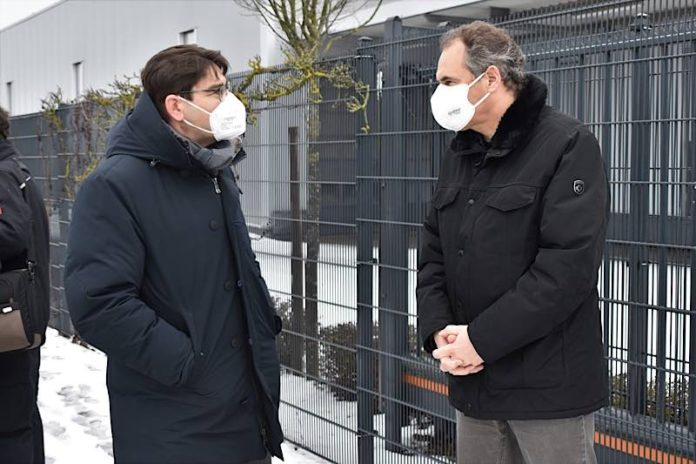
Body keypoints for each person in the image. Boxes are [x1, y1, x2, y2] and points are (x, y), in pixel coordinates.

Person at [64, 45, 283, 464]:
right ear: (176, 106)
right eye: (215, 91)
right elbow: (99, 303)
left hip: (240, 411)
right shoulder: (115, 185)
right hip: (173, 423)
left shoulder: (214, 171)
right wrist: (185, 362)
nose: (229, 101)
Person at [417, 21, 609, 464]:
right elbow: (433, 251)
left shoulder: (567, 144)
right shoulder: (461, 151)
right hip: (474, 386)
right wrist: (438, 331)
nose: (439, 93)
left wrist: (479, 341)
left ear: (490, 79)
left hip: (546, 393)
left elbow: (566, 269)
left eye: (449, 81)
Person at [0, 105, 50, 464]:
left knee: (11, 424)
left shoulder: (2, 173)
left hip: (10, 318)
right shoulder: (14, 170)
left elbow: (10, 235)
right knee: (21, 416)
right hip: (20, 314)